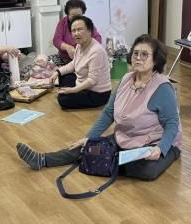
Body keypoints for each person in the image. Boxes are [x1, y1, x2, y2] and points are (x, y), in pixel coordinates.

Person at [17, 34, 182, 180]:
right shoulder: (126, 79)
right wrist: (89, 138)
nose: (138, 58)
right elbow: (108, 112)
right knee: (85, 146)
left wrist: (161, 148)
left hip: (157, 142)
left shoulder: (162, 88)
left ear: (156, 60)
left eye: (145, 54)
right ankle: (43, 159)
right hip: (127, 136)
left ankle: (108, 159)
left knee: (147, 170)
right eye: (136, 53)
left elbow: (172, 123)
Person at [49, 15, 112, 109]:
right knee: (63, 75)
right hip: (83, 86)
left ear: (89, 31)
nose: (76, 33)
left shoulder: (96, 51)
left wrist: (73, 90)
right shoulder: (79, 45)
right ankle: (70, 91)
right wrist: (57, 72)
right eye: (73, 31)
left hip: (97, 93)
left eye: (79, 29)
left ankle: (70, 92)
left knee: (63, 99)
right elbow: (74, 64)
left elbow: (92, 80)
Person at [52, 0, 102, 65]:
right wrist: (67, 47)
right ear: (68, 14)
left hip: (83, 58)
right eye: (73, 16)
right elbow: (56, 40)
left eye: (79, 16)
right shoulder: (63, 23)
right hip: (65, 58)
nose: (76, 19)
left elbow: (97, 38)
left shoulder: (87, 23)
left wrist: (87, 49)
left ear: (83, 13)